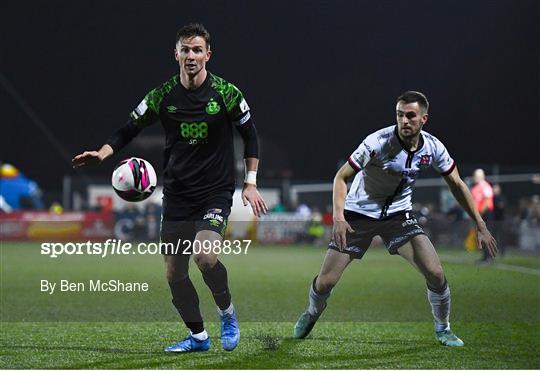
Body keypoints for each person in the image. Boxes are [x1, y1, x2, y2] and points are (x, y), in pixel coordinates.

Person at [73, 23, 268, 353]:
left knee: (205, 257)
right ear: (175, 54)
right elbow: (128, 128)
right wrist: (102, 153)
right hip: (177, 195)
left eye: (197, 50)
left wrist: (250, 183)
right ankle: (198, 337)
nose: (191, 56)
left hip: (215, 191)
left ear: (208, 54)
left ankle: (228, 314)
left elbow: (250, 136)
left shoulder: (227, 93)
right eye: (185, 50)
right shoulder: (162, 96)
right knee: (174, 273)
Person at [293, 91, 497, 347]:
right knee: (326, 282)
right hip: (358, 214)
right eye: (400, 115)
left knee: (435, 272)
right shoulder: (377, 142)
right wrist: (338, 217)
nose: (404, 120)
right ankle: (312, 312)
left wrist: (480, 224)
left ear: (424, 118)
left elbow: (456, 183)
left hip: (398, 216)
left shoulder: (433, 147)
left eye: (410, 115)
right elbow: (341, 177)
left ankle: (443, 328)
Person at [471, 169, 495, 262]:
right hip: (480, 215)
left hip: (486, 214)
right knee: (481, 235)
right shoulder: (476, 187)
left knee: (486, 235)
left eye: (476, 176)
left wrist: (480, 214)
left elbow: (487, 201)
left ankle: (489, 257)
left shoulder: (485, 186)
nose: (474, 178)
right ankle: (485, 257)